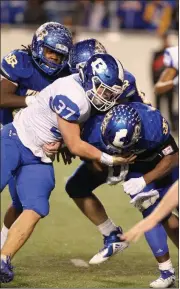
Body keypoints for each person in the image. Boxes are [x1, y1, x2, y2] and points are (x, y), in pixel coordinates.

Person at [0, 53, 134, 283]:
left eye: (111, 92)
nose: (107, 97)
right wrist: (111, 160)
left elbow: (68, 136)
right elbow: (75, 144)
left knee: (36, 206)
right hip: (15, 139)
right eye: (104, 90)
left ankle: (3, 259)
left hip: (38, 156)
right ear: (90, 79)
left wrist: (60, 142)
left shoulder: (84, 93)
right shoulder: (75, 96)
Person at [65, 102, 178, 288]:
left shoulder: (152, 124)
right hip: (131, 167)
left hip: (156, 166)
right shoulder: (92, 126)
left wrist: (144, 180)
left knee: (166, 213)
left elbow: (173, 157)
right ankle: (166, 271)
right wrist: (110, 169)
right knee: (151, 209)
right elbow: (88, 156)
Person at [0, 21, 73, 250]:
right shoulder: (20, 61)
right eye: (50, 51)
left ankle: (3, 244)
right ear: (38, 46)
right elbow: (2, 97)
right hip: (6, 132)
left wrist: (65, 144)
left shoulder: (66, 76)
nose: (53, 58)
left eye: (59, 55)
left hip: (36, 144)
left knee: (22, 203)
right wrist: (32, 100)